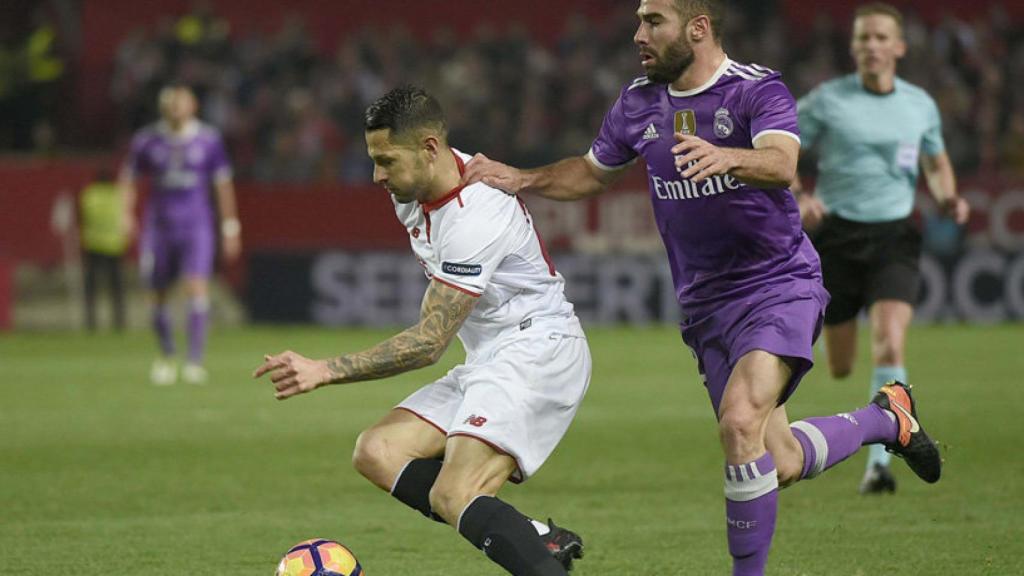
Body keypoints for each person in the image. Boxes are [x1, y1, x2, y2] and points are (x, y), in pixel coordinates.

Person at [460, 1, 942, 573]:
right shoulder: (638, 102)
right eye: (639, 20)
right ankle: (887, 419)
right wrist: (524, 178)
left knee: (739, 422)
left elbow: (782, 163)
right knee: (778, 459)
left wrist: (726, 156)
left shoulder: (754, 91)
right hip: (706, 306)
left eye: (653, 21)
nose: (639, 34)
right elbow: (592, 172)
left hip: (777, 283)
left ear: (698, 28)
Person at [254, 86, 590, 576]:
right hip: (488, 356)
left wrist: (325, 369)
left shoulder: (477, 214)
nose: (377, 175)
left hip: (537, 351)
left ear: (430, 148)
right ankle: (536, 539)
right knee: (378, 451)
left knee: (455, 492)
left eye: (386, 160)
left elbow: (429, 342)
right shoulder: (416, 189)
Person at [791, 2, 969, 494]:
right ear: (853, 47)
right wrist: (800, 196)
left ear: (898, 47)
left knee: (890, 341)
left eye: (879, 37)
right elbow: (779, 147)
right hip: (837, 239)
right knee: (842, 364)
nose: (870, 45)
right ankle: (876, 428)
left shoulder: (919, 105)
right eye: (863, 38)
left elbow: (935, 161)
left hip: (895, 235)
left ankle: (880, 466)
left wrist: (947, 196)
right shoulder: (828, 100)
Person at [121, 85, 242, 385]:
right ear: (163, 107)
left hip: (197, 226)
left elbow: (222, 184)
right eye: (170, 102)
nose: (175, 107)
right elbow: (129, 179)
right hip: (159, 228)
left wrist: (230, 226)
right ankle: (166, 355)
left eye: (181, 102)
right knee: (157, 292)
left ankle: (194, 361)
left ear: (193, 105)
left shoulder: (209, 140)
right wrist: (125, 214)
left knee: (196, 287)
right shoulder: (147, 141)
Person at [79, 167, 130, 331]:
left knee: (91, 286)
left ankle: (90, 321)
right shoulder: (117, 195)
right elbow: (124, 218)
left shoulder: (89, 195)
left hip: (93, 244)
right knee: (116, 286)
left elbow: (82, 217)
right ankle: (119, 320)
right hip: (114, 245)